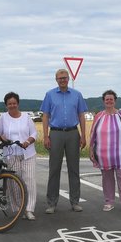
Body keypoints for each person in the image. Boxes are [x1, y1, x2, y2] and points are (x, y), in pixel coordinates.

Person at [41, 69, 88, 213]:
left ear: (68, 79)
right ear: (56, 80)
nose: (62, 80)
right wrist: (45, 136)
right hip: (55, 133)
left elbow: (81, 115)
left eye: (65, 78)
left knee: (74, 169)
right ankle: (51, 203)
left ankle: (75, 202)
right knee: (54, 169)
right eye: (60, 78)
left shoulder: (77, 95)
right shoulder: (49, 95)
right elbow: (45, 116)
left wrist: (84, 135)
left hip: (73, 133)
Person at [89, 89, 121, 212]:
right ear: (103, 101)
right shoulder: (99, 116)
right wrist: (91, 149)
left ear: (115, 101)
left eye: (111, 99)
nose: (109, 101)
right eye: (107, 99)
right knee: (107, 179)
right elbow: (93, 134)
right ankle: (109, 202)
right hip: (103, 154)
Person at [0, 92, 38, 220]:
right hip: (11, 154)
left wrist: (28, 141)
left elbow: (34, 133)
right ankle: (20, 208)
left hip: (27, 153)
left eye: (14, 103)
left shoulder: (26, 117)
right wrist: (3, 138)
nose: (12, 105)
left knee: (29, 181)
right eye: (9, 104)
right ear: (6, 105)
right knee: (14, 182)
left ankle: (29, 209)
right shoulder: (3, 118)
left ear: (18, 104)